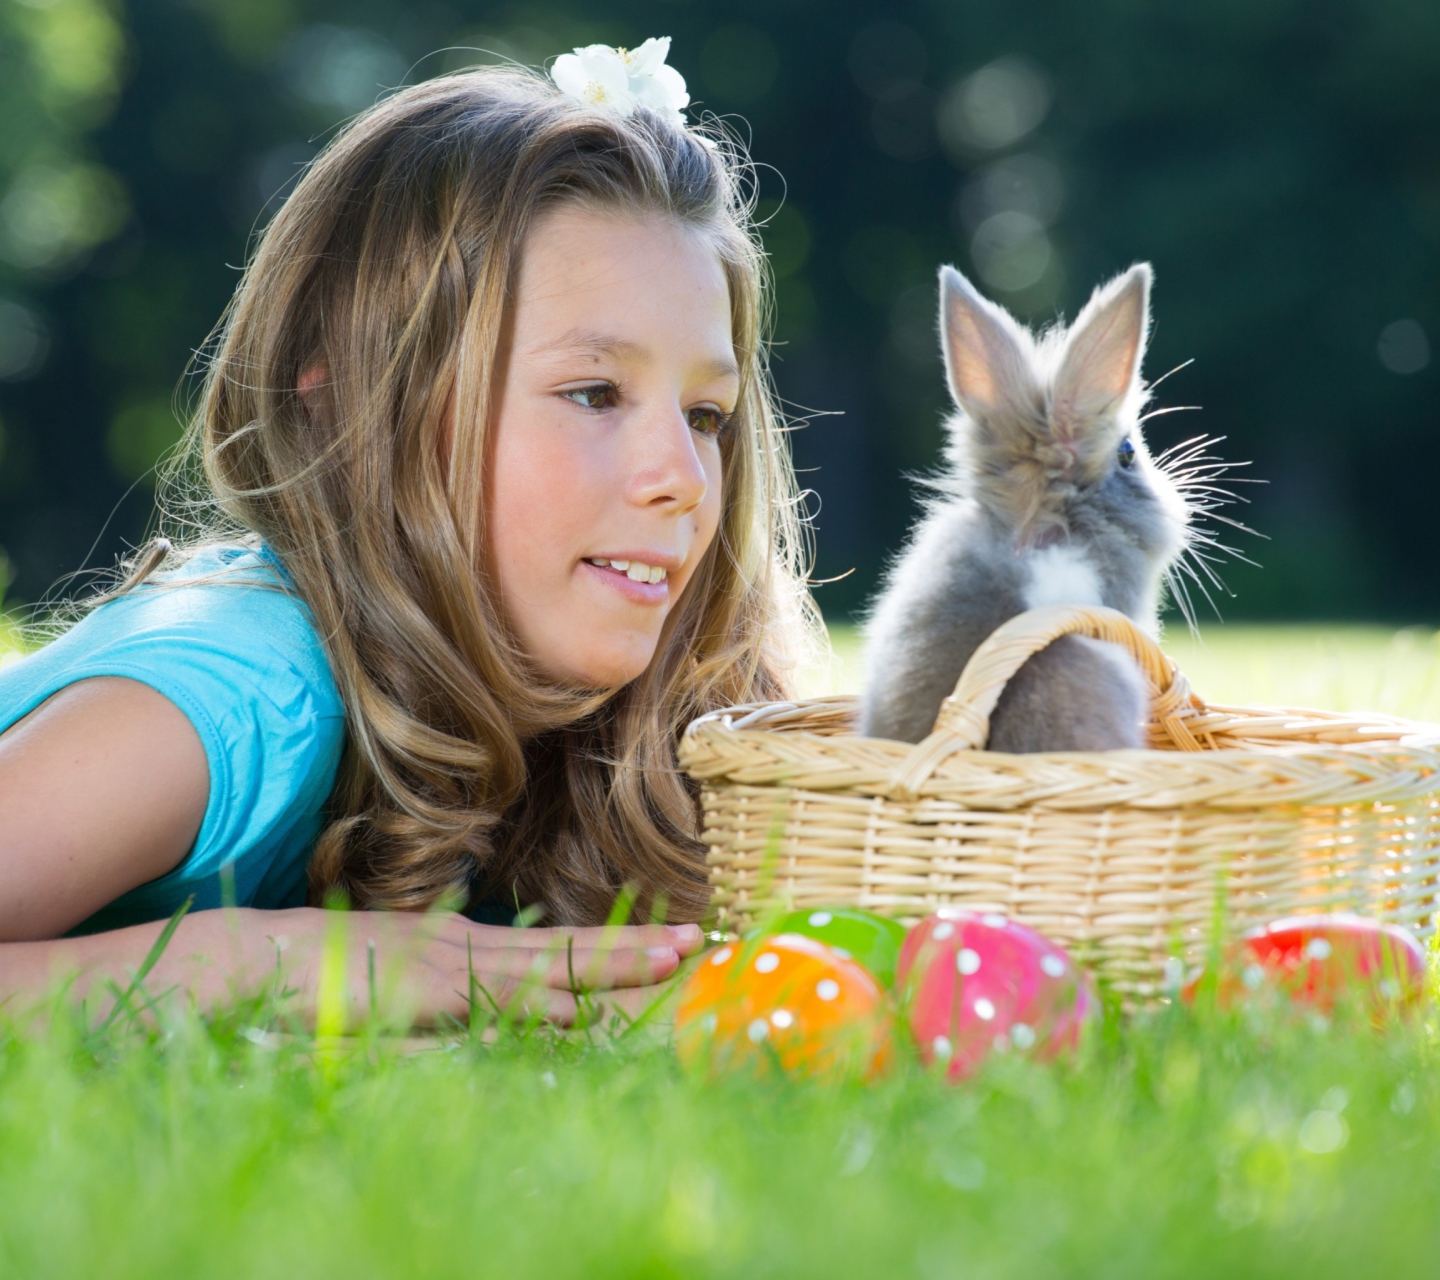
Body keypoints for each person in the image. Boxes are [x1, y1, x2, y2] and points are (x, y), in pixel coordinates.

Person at [0, 47, 814, 1027]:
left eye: (706, 414)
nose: (682, 480)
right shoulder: (245, 691)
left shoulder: (595, 714)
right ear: (347, 409)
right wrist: (266, 960)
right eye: (594, 392)